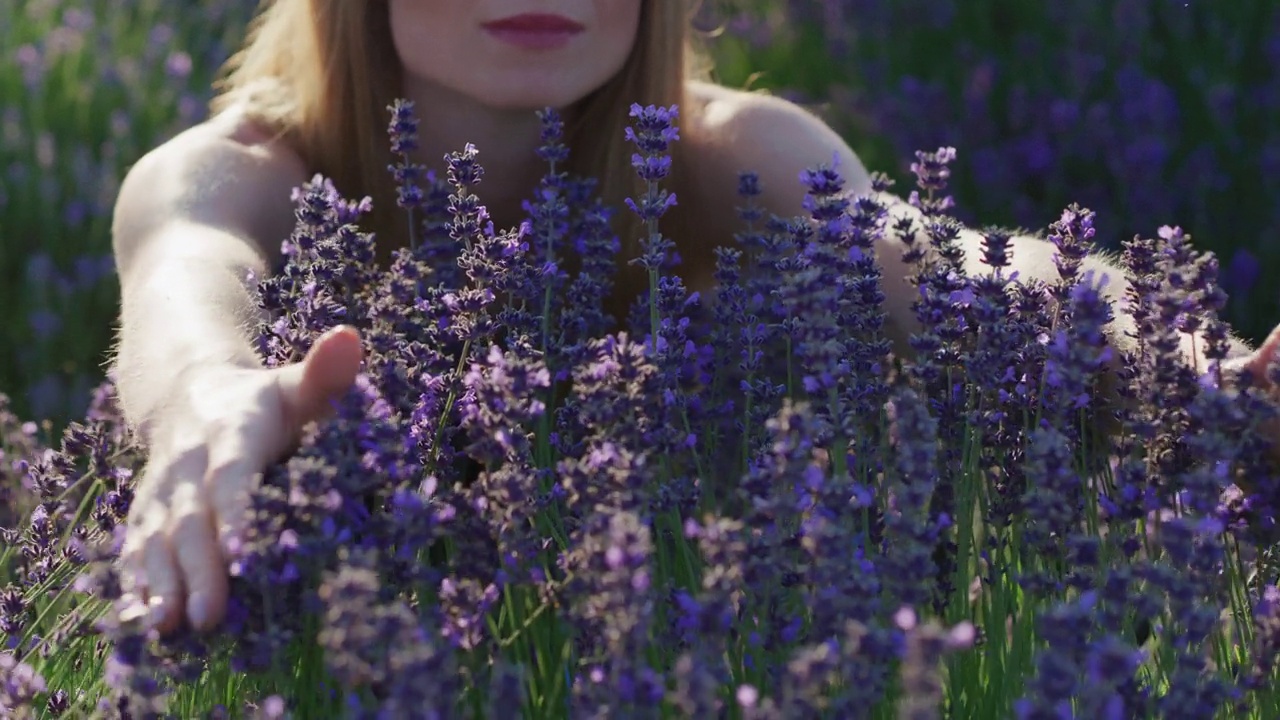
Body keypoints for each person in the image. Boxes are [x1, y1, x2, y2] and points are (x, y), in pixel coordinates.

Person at [109, 0, 1280, 636]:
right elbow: (183, 280)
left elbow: (949, 265)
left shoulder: (731, 156)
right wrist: (204, 398)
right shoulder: (238, 168)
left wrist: (1177, 353)